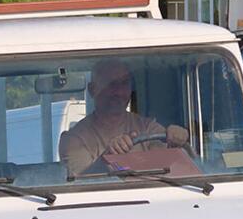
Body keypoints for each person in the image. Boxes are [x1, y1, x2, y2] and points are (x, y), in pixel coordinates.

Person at [58, 58, 188, 176]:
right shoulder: (74, 139)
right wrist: (108, 157)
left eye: (124, 83)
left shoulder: (147, 128)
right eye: (111, 84)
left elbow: (171, 168)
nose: (119, 92)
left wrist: (176, 140)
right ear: (93, 90)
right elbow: (81, 184)